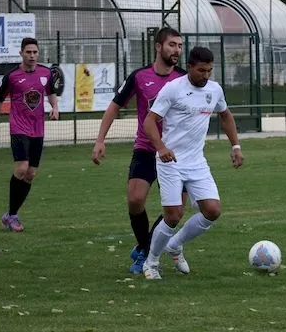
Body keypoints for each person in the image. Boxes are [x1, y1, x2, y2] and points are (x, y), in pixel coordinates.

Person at [91, 27, 189, 274]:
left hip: (177, 153)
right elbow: (114, 107)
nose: (177, 50)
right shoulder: (139, 76)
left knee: (175, 214)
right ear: (158, 47)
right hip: (146, 148)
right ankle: (146, 249)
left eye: (179, 45)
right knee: (135, 201)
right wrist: (100, 140)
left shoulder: (184, 79)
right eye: (172, 45)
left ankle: (144, 252)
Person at [141, 46, 243, 281]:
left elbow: (225, 115)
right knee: (173, 215)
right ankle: (151, 262)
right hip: (171, 162)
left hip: (197, 162)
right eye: (201, 71)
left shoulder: (214, 90)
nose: (205, 76)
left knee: (212, 210)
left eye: (209, 71)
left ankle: (175, 245)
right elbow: (150, 121)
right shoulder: (173, 89)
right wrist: (162, 148)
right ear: (189, 67)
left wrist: (235, 146)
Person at [0, 37, 62, 232]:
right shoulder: (12, 76)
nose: (32, 55)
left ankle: (10, 214)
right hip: (19, 128)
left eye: (35, 52)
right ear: (21, 53)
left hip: (38, 129)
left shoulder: (45, 73)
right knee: (21, 168)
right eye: (28, 52)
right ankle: (13, 216)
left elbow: (50, 92)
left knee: (30, 174)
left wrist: (55, 106)